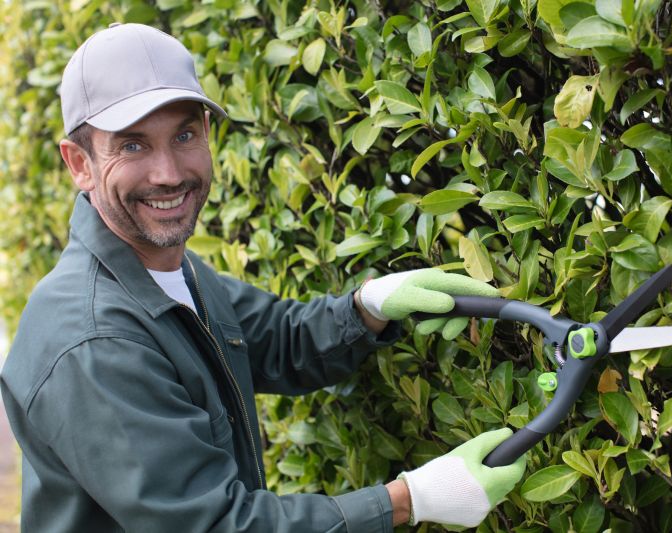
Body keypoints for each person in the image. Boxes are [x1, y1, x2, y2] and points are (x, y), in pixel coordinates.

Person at [0, 23, 525, 532]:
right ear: (80, 163)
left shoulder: (163, 270)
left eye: (183, 135)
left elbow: (275, 338)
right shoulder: (93, 343)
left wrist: (369, 306)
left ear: (207, 134)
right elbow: (214, 524)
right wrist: (410, 499)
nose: (168, 173)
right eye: (133, 146)